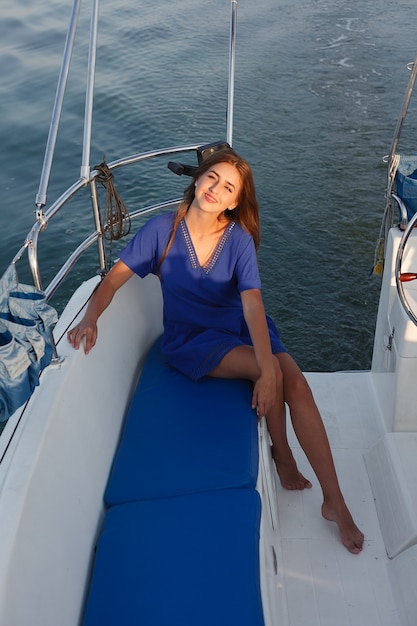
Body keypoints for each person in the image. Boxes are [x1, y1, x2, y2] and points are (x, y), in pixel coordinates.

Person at [67, 148, 364, 554]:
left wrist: (269, 364)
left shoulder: (238, 240)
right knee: (267, 371)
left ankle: (336, 501)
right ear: (197, 179)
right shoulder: (161, 231)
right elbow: (114, 280)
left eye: (227, 187)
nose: (215, 190)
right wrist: (91, 318)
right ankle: (283, 454)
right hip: (193, 340)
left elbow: (253, 304)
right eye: (212, 178)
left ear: (234, 201)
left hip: (240, 326)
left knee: (296, 383)